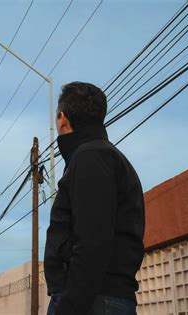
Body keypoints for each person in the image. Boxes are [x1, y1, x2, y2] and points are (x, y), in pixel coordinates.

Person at [44, 82, 145, 315]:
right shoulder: (96, 156)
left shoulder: (91, 157)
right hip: (95, 298)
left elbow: (93, 242)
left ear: (62, 118)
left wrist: (69, 307)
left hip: (92, 300)